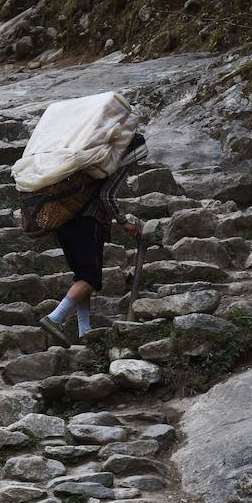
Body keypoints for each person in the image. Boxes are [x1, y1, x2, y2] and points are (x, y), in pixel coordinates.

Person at [39, 133, 147, 348]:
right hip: (89, 223)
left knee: (82, 278)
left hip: (65, 221)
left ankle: (84, 330)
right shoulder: (115, 166)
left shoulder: (92, 163)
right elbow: (106, 197)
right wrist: (124, 221)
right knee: (90, 277)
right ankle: (55, 318)